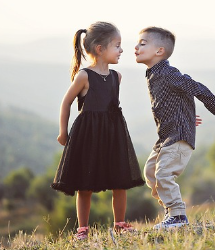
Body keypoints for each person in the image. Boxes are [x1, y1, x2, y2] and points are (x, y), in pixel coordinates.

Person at [134, 27, 215, 229]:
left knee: (163, 174)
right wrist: (186, 116)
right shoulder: (153, 74)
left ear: (159, 51)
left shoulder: (168, 73)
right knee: (151, 173)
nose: (136, 47)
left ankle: (178, 215)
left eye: (143, 43)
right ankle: (171, 211)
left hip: (178, 136)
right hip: (166, 136)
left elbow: (196, 88)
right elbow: (174, 100)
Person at [51, 21, 145, 240]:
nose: (122, 50)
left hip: (113, 135)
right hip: (88, 135)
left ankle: (120, 223)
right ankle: (82, 229)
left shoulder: (116, 77)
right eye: (117, 45)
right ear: (100, 49)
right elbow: (66, 103)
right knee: (85, 184)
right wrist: (62, 132)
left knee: (119, 180)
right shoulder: (84, 76)